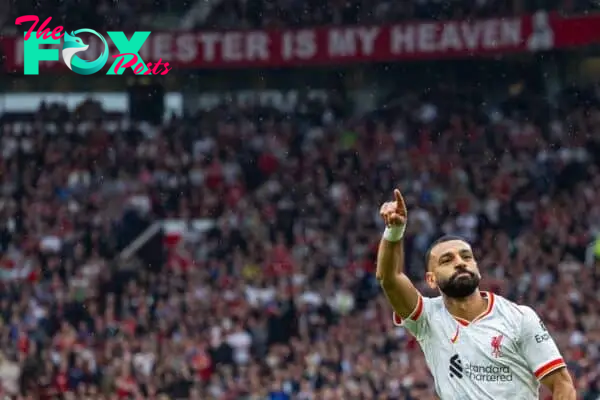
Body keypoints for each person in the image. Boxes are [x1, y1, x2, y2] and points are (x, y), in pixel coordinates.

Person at [376, 189, 577, 400]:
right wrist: (394, 231)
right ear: (431, 279)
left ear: (477, 268)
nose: (460, 262)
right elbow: (389, 278)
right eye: (447, 260)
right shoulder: (427, 318)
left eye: (466, 256)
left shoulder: (520, 318)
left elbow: (562, 385)